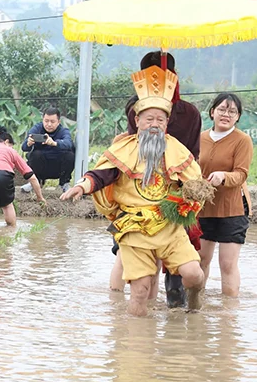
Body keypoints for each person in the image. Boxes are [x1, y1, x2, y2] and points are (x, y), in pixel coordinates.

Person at [61, 65, 206, 317]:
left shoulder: (178, 150)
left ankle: (194, 302)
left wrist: (195, 196)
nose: (154, 124)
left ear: (167, 123)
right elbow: (101, 175)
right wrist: (81, 186)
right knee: (140, 290)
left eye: (160, 120)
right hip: (134, 227)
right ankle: (135, 344)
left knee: (193, 274)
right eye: (149, 119)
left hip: (170, 226)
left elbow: (195, 184)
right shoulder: (123, 149)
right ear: (137, 120)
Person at [112, 51, 204, 305]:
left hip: (174, 199)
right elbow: (132, 153)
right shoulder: (135, 108)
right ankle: (133, 318)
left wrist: (189, 188)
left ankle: (180, 313)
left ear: (173, 77)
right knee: (139, 273)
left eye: (162, 76)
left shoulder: (189, 113)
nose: (157, 81)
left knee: (183, 272)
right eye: (150, 76)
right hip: (139, 199)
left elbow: (193, 155)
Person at [198, 93, 253, 298]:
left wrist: (223, 176)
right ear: (212, 112)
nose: (226, 114)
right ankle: (196, 306)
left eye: (232, 111)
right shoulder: (200, 138)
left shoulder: (242, 140)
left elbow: (241, 174)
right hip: (203, 207)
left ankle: (228, 315)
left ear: (238, 117)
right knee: (201, 259)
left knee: (227, 263)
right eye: (222, 109)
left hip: (233, 208)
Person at [0, 126, 45, 227]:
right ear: (6, 142)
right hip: (2, 175)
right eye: (11, 145)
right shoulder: (10, 151)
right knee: (6, 205)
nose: (11, 148)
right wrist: (40, 197)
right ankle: (11, 233)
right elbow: (31, 177)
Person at [21, 107, 75, 193]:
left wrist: (55, 143)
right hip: (41, 166)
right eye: (46, 121)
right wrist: (28, 143)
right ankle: (35, 182)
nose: (49, 124)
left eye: (52, 122)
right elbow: (24, 147)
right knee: (35, 155)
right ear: (42, 120)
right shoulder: (36, 129)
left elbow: (68, 143)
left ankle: (64, 183)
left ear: (58, 122)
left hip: (58, 167)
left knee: (70, 155)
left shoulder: (63, 131)